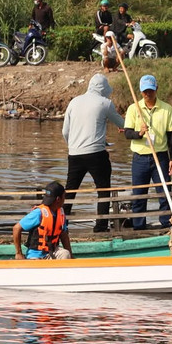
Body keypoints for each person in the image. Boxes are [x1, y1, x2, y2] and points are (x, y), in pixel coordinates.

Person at [61, 73, 127, 232]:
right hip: (96, 154)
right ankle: (100, 227)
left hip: (74, 153)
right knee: (103, 189)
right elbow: (122, 123)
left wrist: (73, 146)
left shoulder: (74, 102)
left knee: (70, 191)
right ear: (103, 89)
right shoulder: (105, 103)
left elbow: (65, 131)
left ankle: (61, 225)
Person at [122, 73, 172, 229]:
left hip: (160, 157)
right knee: (139, 195)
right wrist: (139, 133)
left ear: (156, 89)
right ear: (140, 91)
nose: (148, 94)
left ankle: (166, 223)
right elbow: (127, 133)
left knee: (164, 192)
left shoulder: (166, 109)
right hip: (140, 157)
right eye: (145, 91)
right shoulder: (134, 108)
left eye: (151, 90)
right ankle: (139, 226)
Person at [13, 181, 73, 260]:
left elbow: (64, 235)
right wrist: (18, 253)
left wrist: (71, 256)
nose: (64, 199)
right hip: (36, 255)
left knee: (65, 254)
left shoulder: (60, 213)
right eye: (64, 196)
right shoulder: (38, 213)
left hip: (52, 252)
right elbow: (16, 228)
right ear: (58, 199)